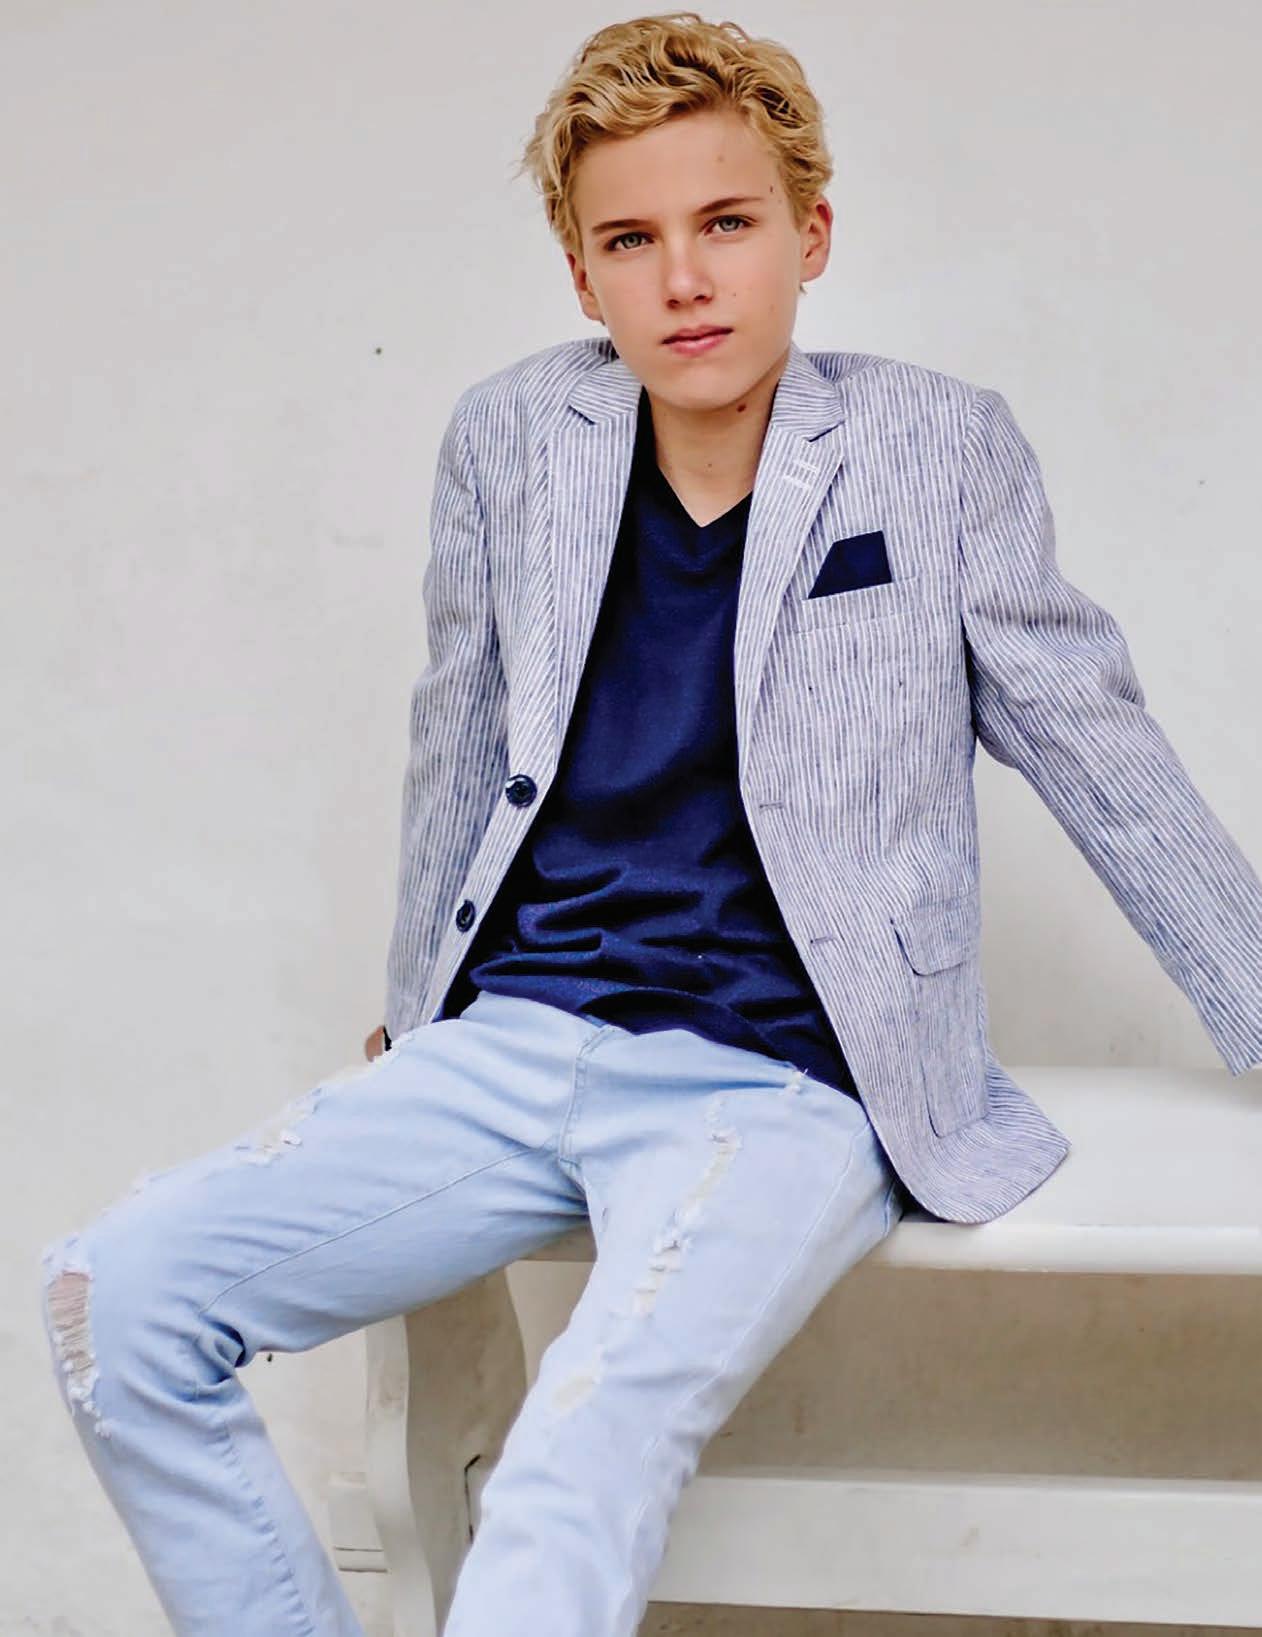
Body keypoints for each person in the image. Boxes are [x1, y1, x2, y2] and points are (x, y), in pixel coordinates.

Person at [40, 11, 1262, 1635]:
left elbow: (1101, 753)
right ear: (580, 275)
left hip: (787, 1069)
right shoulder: (507, 441)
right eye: (630, 240)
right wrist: (416, 1011)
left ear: (810, 236)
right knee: (113, 1297)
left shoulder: (932, 444)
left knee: (572, 1457)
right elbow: (457, 738)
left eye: (725, 223)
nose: (683, 279)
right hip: (518, 1039)